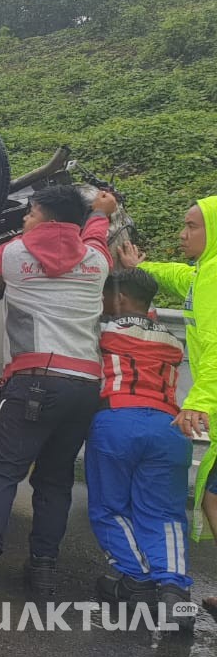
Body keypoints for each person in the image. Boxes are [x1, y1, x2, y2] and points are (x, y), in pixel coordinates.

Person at [0, 185, 119, 598]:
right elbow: (94, 236)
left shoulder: (11, 255)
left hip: (34, 378)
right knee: (56, 480)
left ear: (43, 217)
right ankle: (43, 569)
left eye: (30, 213)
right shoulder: (98, 261)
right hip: (83, 385)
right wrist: (99, 213)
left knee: (3, 472)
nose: (24, 219)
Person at [119, 195, 217, 609]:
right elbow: (178, 276)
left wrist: (199, 401)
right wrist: (139, 268)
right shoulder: (203, 273)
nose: (182, 233)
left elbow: (215, 346)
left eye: (192, 226)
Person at [84, 269, 192, 629]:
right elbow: (144, 323)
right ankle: (175, 594)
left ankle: (137, 578)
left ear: (122, 299)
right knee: (165, 514)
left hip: (117, 419)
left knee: (110, 508)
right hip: (168, 426)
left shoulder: (103, 332)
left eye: (105, 295)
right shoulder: (174, 340)